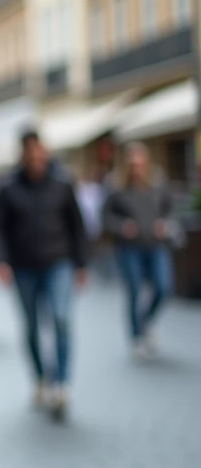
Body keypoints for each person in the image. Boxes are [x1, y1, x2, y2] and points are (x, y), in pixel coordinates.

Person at [0, 131, 88, 421]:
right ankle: (40, 377)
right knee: (32, 326)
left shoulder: (62, 184)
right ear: (23, 155)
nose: (35, 158)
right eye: (30, 154)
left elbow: (77, 226)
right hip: (23, 267)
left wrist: (81, 264)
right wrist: (0, 261)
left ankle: (61, 383)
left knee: (61, 318)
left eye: (39, 153)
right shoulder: (9, 188)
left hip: (58, 263)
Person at [102, 142, 174, 358]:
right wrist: (121, 226)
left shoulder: (157, 182)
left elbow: (169, 209)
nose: (136, 167)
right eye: (132, 163)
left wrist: (164, 223)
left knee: (163, 287)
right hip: (129, 248)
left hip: (155, 244)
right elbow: (105, 218)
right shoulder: (116, 186)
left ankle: (145, 322)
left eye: (140, 162)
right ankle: (136, 336)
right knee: (134, 291)